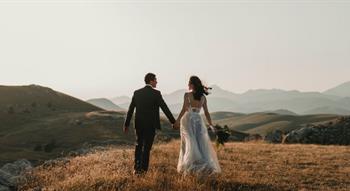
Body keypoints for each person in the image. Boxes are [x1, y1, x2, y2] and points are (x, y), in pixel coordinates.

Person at [123, 73, 177, 175]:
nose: (157, 82)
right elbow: (164, 108)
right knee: (147, 147)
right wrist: (173, 122)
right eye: (155, 80)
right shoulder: (156, 93)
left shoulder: (137, 93)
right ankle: (143, 171)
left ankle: (136, 168)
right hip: (150, 125)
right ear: (151, 81)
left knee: (139, 145)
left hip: (139, 124)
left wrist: (126, 124)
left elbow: (130, 109)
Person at [175, 76, 221, 175]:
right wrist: (211, 124)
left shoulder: (187, 95)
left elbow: (184, 109)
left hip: (188, 120)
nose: (187, 85)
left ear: (192, 85)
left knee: (189, 142)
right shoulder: (203, 97)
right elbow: (206, 112)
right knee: (200, 143)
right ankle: (203, 165)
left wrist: (177, 121)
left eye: (189, 83)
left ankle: (190, 166)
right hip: (198, 121)